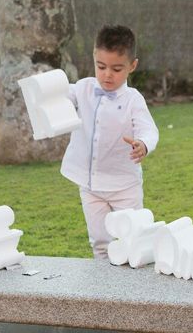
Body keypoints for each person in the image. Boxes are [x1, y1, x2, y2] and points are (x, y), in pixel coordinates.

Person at [61, 24, 159, 259]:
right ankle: (104, 288)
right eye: (101, 66)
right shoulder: (83, 88)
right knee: (100, 242)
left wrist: (143, 144)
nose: (107, 75)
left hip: (124, 186)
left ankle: (136, 287)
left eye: (116, 69)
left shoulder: (133, 99)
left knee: (135, 238)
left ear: (132, 66)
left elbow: (149, 129)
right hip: (90, 186)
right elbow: (57, 93)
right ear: (94, 59)